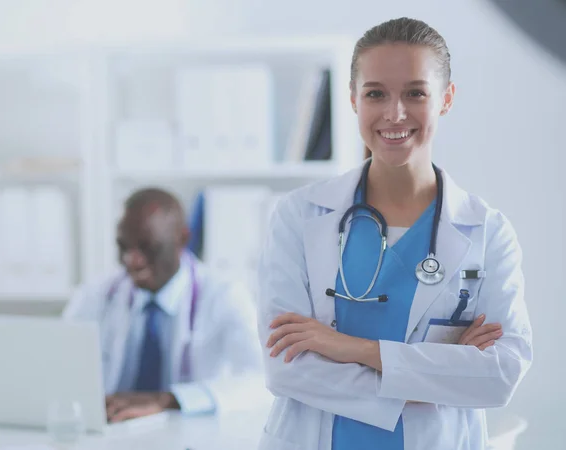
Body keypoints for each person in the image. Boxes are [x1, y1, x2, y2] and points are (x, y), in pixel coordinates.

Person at [257, 17, 532, 450]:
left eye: (415, 93)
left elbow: (499, 375)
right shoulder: (300, 216)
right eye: (375, 94)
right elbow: (286, 367)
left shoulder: (487, 232)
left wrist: (352, 348)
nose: (394, 113)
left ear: (446, 99)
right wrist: (440, 375)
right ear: (352, 99)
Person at [63, 187, 266, 422]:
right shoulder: (96, 295)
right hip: (111, 431)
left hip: (187, 435)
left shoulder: (224, 296)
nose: (132, 261)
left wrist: (168, 400)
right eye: (123, 247)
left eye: (148, 247)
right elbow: (57, 366)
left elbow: (261, 381)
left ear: (182, 239)